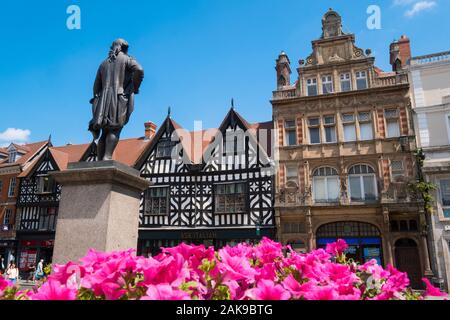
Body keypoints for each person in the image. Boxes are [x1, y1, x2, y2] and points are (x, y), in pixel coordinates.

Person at [88, 38, 144, 161]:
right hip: (119, 98)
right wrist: (134, 87)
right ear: (123, 48)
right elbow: (139, 70)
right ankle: (107, 156)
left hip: (103, 101)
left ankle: (100, 159)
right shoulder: (127, 60)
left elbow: (96, 87)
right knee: (115, 129)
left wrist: (99, 101)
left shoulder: (103, 64)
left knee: (104, 131)